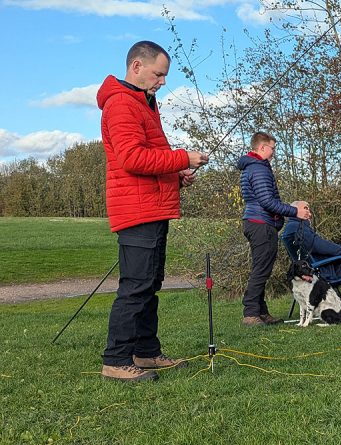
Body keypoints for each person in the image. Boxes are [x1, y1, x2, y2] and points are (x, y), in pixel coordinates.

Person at [97, 41, 209, 382]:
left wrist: (174, 175)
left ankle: (145, 352)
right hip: (137, 210)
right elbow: (132, 158)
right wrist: (182, 158)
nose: (162, 81)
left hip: (152, 205)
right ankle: (116, 360)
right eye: (159, 74)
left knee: (149, 283)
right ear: (137, 67)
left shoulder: (144, 103)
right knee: (135, 286)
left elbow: (148, 157)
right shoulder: (120, 104)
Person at [237, 132, 311, 326]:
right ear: (262, 148)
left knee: (262, 268)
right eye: (272, 148)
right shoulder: (258, 169)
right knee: (261, 270)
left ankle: (261, 312)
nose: (274, 152)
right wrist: (295, 211)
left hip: (257, 223)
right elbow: (267, 201)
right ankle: (251, 313)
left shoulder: (253, 167)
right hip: (261, 224)